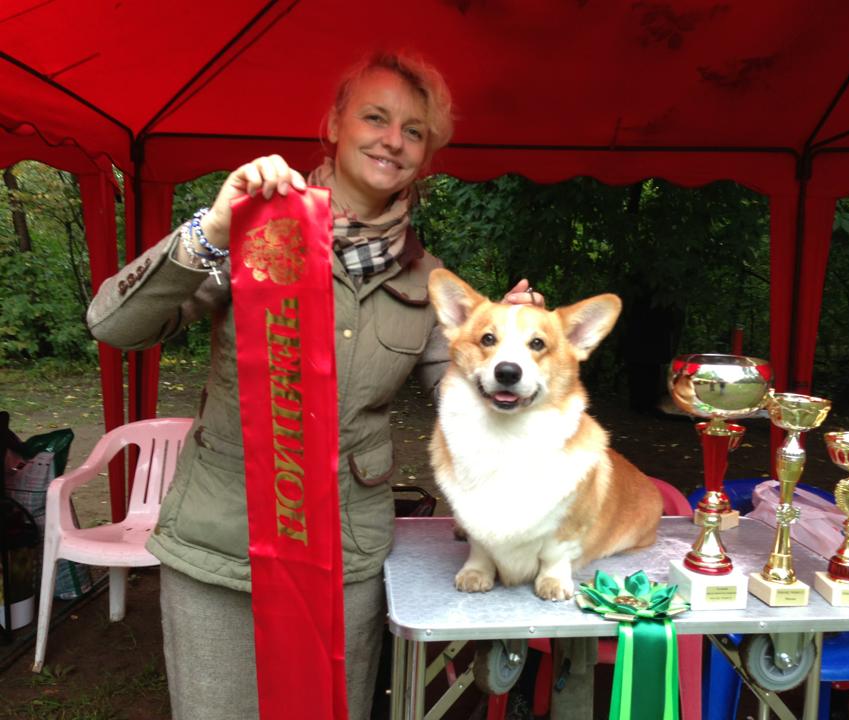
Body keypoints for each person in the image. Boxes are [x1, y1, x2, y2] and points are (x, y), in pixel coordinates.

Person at [87, 52, 542, 720]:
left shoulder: (430, 282)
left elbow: (469, 406)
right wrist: (211, 230)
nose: (393, 140)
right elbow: (114, 324)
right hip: (221, 542)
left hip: (344, 555)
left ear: (427, 155)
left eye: (414, 131)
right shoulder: (254, 226)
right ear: (333, 124)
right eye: (375, 117)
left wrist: (509, 351)